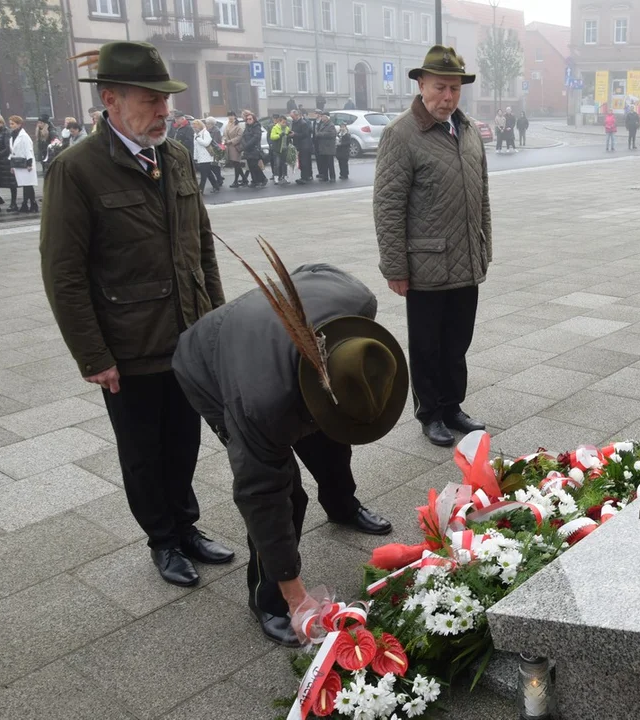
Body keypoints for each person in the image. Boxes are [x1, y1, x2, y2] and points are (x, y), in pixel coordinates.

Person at [39, 41, 233, 587]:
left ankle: (187, 526)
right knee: (144, 452)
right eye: (151, 100)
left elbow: (202, 246)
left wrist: (215, 325)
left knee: (185, 442)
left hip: (189, 337)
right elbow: (64, 273)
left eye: (165, 100)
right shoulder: (75, 170)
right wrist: (93, 355)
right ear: (111, 99)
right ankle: (164, 540)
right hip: (129, 345)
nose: (164, 111)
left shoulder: (175, 157)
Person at [172, 259, 399, 647]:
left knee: (331, 445)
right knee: (284, 495)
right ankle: (269, 600)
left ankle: (342, 506)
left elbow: (314, 269)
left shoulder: (359, 304)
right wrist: (298, 596)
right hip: (208, 362)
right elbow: (260, 495)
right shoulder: (260, 405)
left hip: (276, 341)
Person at [375, 45, 490, 448]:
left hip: (466, 259)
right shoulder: (401, 134)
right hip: (425, 264)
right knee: (427, 346)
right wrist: (395, 268)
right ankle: (430, 414)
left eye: (455, 89)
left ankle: (452, 406)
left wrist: (484, 246)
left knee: (458, 342)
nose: (448, 97)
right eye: (440, 87)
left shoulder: (470, 130)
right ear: (421, 84)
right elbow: (388, 206)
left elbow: (482, 196)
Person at [7, 116, 39, 213]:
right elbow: (12, 151)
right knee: (25, 184)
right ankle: (31, 204)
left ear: (19, 124)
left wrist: (29, 163)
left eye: (13, 124)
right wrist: (12, 165)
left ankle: (28, 204)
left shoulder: (24, 136)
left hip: (26, 164)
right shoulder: (13, 135)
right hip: (18, 163)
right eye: (10, 124)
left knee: (28, 184)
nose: (11, 126)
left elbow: (28, 149)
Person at [0, 114, 16, 213]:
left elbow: (8, 149)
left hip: (5, 161)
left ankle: (13, 203)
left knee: (11, 183)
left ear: (1, 122)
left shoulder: (6, 132)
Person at [192, 119, 221, 193]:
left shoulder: (205, 133)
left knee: (203, 174)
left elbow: (206, 143)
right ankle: (216, 186)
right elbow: (195, 147)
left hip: (206, 156)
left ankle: (201, 189)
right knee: (208, 173)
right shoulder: (196, 134)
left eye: (196, 127)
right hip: (200, 157)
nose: (194, 128)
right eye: (193, 127)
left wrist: (198, 139)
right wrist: (195, 157)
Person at [241, 110, 268, 188]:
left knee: (254, 165)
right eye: (247, 119)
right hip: (247, 149)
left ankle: (263, 178)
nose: (248, 120)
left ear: (254, 119)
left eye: (250, 119)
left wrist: (247, 145)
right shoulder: (247, 127)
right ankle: (255, 181)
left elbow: (256, 138)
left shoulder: (256, 126)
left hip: (254, 149)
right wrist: (244, 145)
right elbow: (243, 136)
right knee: (250, 166)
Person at [223, 110, 246, 188]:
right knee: (236, 164)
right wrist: (224, 140)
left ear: (235, 116)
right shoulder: (227, 125)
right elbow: (224, 134)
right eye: (229, 116)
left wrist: (230, 141)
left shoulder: (238, 125)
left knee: (236, 164)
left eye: (232, 115)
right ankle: (244, 179)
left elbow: (240, 136)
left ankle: (236, 181)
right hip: (229, 147)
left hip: (235, 147)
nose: (230, 117)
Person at [290, 109, 314, 184]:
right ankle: (306, 176)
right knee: (302, 161)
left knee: (304, 162)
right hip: (299, 145)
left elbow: (305, 134)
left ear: (297, 115)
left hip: (305, 145)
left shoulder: (303, 123)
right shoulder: (294, 122)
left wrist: (295, 134)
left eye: (293, 117)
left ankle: (305, 177)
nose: (292, 118)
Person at [315, 110, 337, 182]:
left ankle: (332, 177)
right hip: (323, 147)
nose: (322, 118)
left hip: (329, 147)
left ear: (327, 117)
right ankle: (325, 176)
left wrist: (320, 134)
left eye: (323, 117)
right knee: (324, 163)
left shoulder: (331, 125)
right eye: (321, 117)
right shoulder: (322, 124)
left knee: (330, 164)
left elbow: (332, 134)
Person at [270, 114, 291, 185]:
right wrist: (279, 135)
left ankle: (285, 176)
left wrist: (289, 135)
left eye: (285, 122)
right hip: (277, 149)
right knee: (277, 164)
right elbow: (272, 137)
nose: (284, 124)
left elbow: (288, 134)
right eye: (283, 122)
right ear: (279, 122)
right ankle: (276, 177)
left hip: (285, 149)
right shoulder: (275, 128)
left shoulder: (287, 128)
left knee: (284, 164)